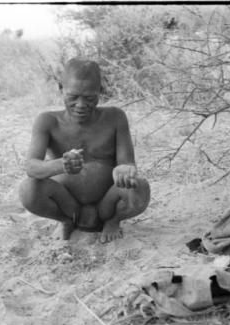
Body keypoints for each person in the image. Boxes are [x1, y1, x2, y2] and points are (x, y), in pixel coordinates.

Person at [19, 58, 150, 243]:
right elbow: (31, 167)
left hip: (107, 204)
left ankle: (113, 221)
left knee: (141, 187)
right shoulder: (47, 121)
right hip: (68, 205)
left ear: (101, 91)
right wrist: (61, 165)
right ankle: (66, 221)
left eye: (89, 98)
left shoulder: (115, 117)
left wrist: (124, 170)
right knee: (28, 189)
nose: (81, 105)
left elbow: (127, 162)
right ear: (61, 89)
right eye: (73, 97)